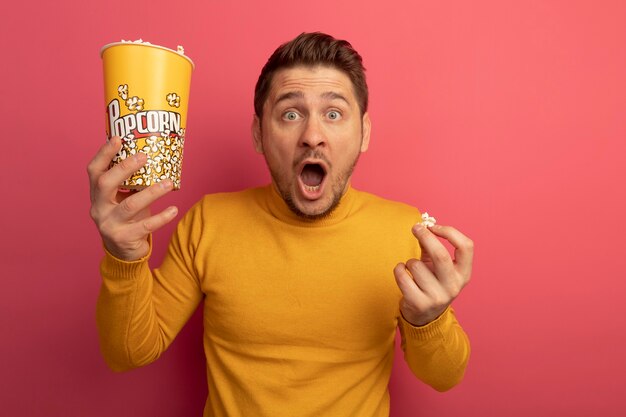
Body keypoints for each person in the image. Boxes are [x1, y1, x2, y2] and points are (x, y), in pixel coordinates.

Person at [88, 32, 474, 417]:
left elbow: (445, 376)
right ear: (259, 134)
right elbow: (128, 352)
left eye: (334, 113)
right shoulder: (209, 221)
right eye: (291, 114)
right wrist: (124, 258)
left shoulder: (404, 230)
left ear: (365, 132)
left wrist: (430, 319)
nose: (312, 136)